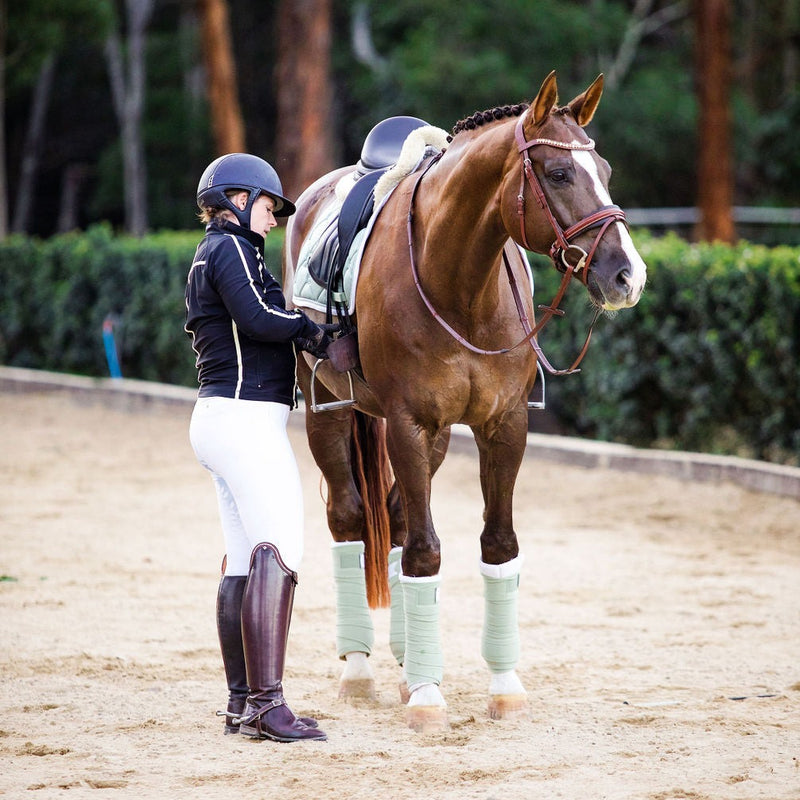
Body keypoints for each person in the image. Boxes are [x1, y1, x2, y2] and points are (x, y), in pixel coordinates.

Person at [185, 153, 333, 743]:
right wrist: (313, 328)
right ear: (239, 201)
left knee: (245, 560)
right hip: (245, 422)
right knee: (281, 550)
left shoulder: (215, 253)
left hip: (225, 420)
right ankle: (268, 707)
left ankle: (242, 704)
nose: (273, 220)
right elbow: (258, 315)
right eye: (270, 208)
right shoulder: (229, 249)